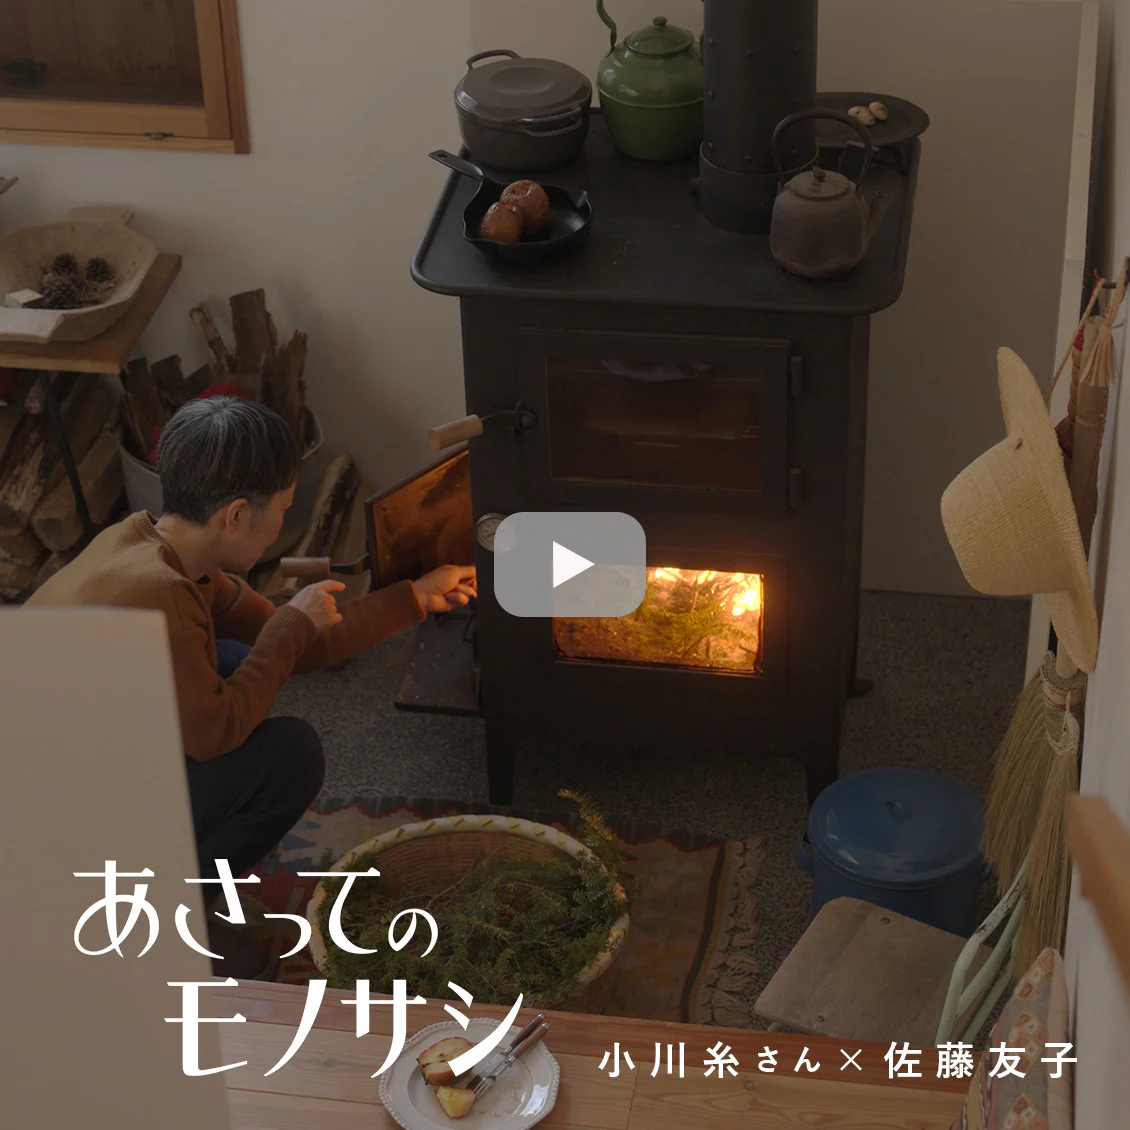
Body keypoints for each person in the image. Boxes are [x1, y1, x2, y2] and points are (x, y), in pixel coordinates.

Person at [29, 397, 476, 974]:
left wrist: (414, 597)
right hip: (46, 830)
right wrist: (289, 627)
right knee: (290, 755)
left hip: (75, 760)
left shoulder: (157, 549)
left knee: (236, 659)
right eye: (282, 510)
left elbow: (296, 641)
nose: (282, 526)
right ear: (237, 515)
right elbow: (217, 732)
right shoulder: (159, 593)